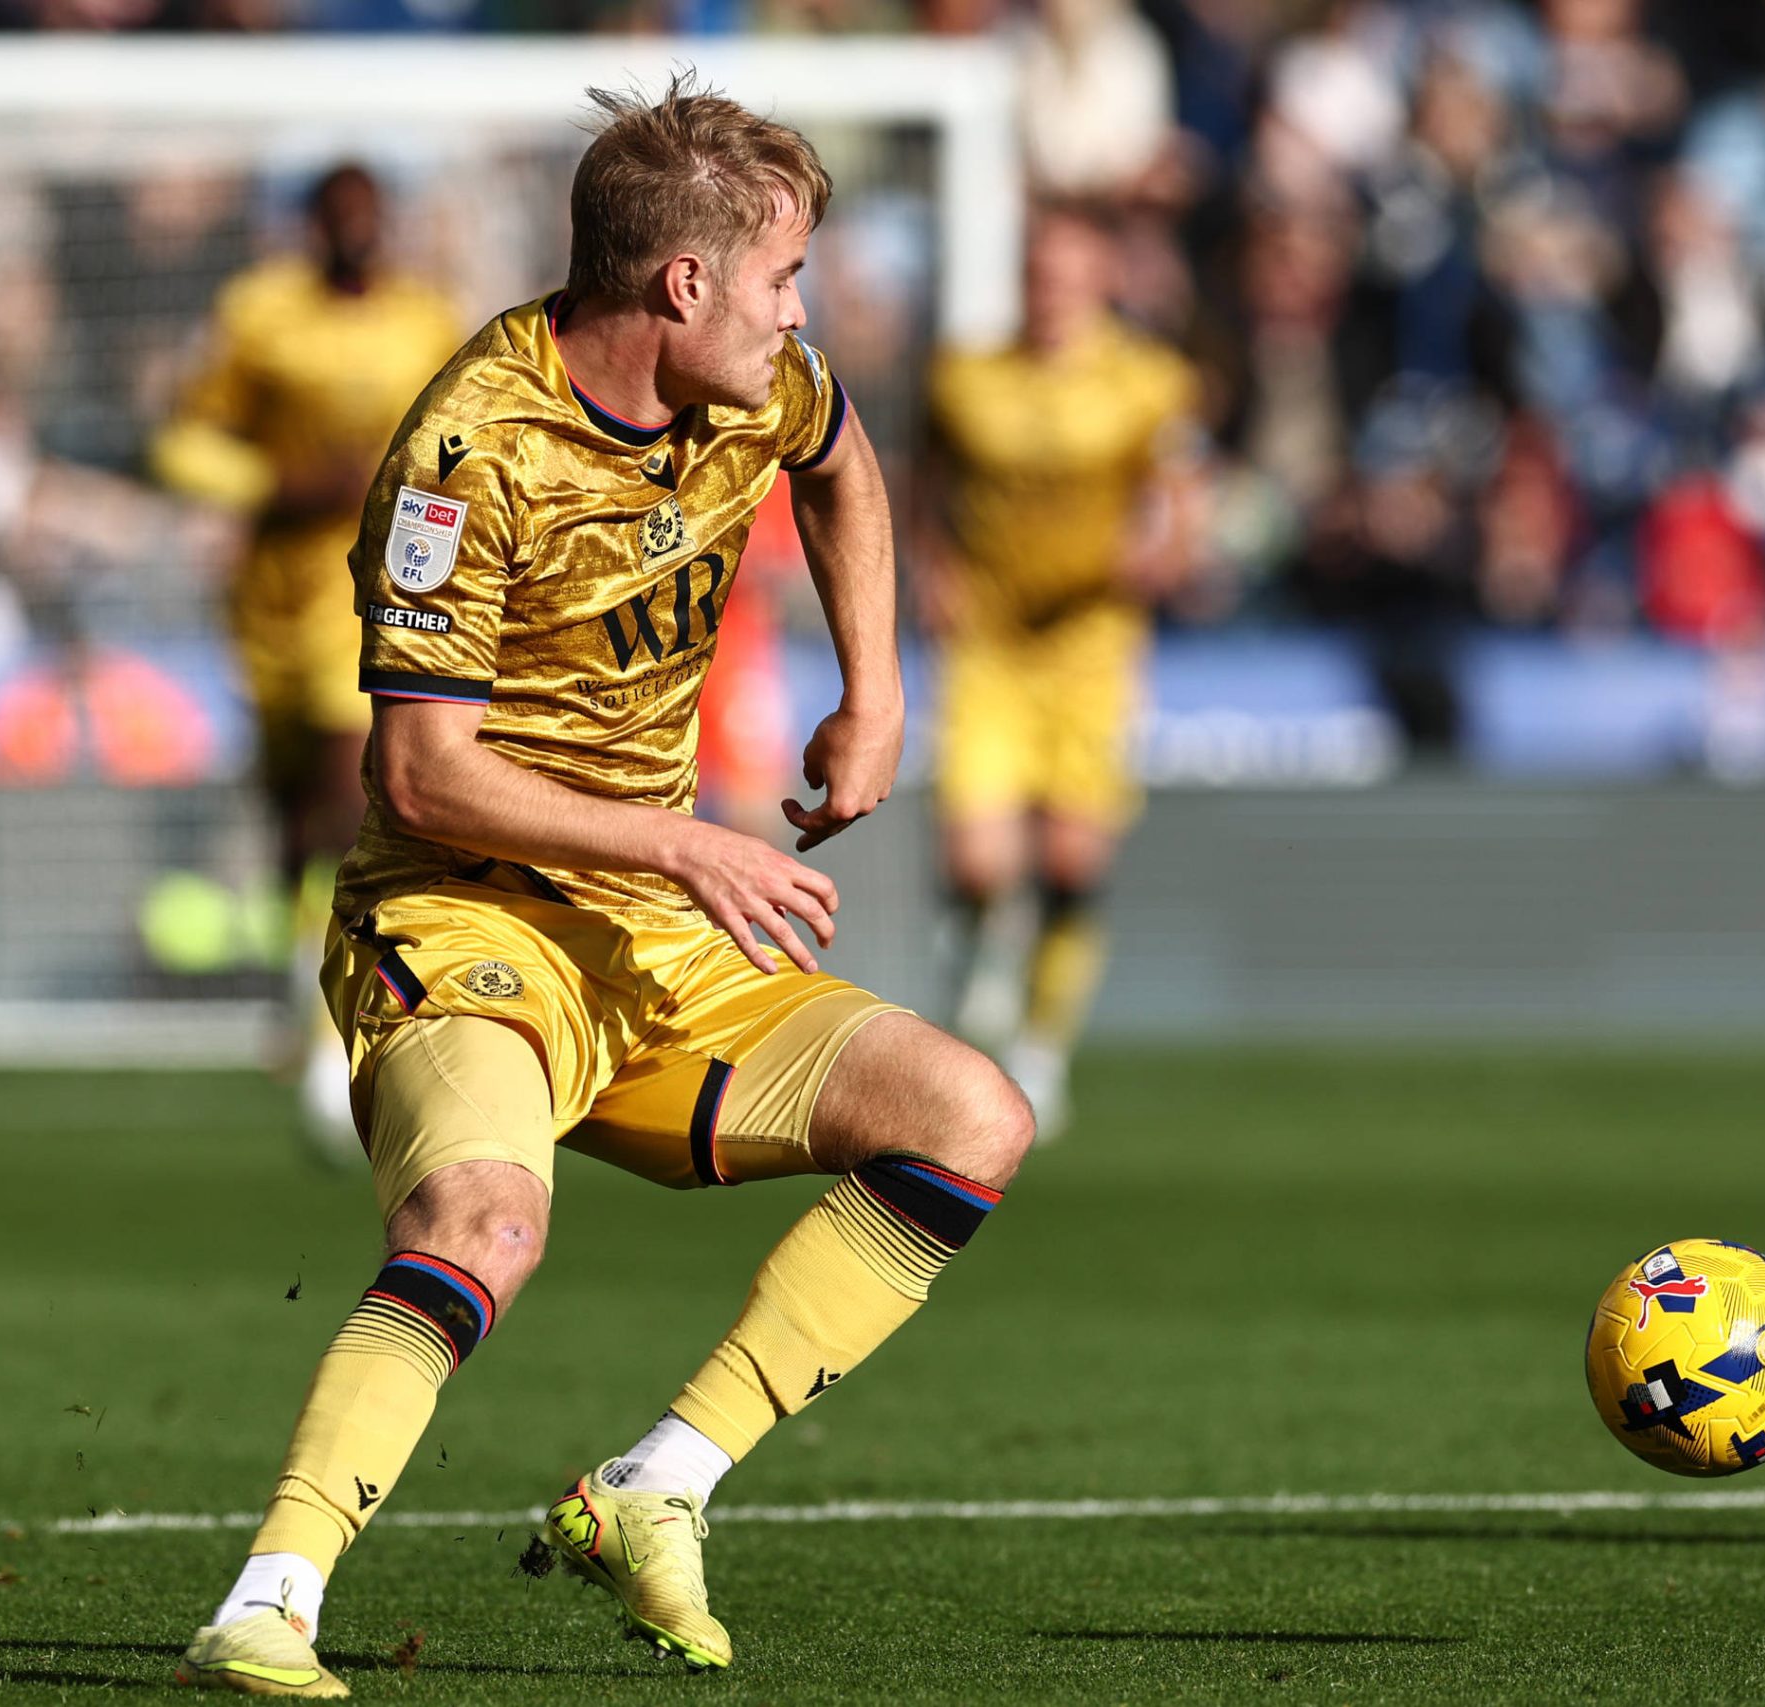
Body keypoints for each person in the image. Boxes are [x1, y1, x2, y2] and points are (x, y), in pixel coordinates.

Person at [176, 80, 1033, 1697]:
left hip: (642, 931)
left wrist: (879, 693)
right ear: (683, 286)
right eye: (784, 281)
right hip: (462, 916)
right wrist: (685, 838)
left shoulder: (754, 386)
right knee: (487, 1221)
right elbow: (422, 773)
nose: (803, 316)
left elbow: (845, 469)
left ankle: (655, 1483)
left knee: (971, 1115)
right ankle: (267, 1601)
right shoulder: (468, 451)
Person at [154, 163, 463, 1160]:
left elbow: (467, 443)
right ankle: (304, 977)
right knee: (291, 810)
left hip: (369, 598)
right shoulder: (259, 315)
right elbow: (186, 439)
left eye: (370, 217)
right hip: (270, 600)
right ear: (313, 226)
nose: (355, 235)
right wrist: (271, 482)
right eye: (338, 218)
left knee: (345, 789)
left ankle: (337, 1010)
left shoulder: (427, 323)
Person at [924, 201, 1202, 1139]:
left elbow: (1180, 500)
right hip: (992, 645)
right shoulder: (968, 378)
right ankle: (977, 960)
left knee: (1073, 854)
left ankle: (1043, 1047)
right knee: (978, 856)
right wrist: (934, 568)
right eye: (1040, 274)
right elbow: (926, 482)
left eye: (1071, 275)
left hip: (1090, 647)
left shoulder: (1148, 383)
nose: (1053, 292)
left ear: (1102, 282)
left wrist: (1163, 557)